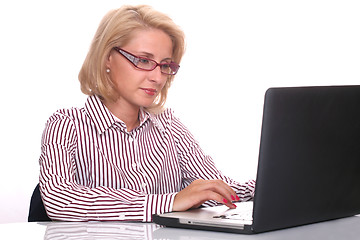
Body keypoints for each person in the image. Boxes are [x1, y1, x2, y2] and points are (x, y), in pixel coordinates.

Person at [39, 4, 255, 222]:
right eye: (143, 60)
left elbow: (213, 188)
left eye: (165, 65)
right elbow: (61, 200)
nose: (158, 77)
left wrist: (273, 186)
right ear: (107, 57)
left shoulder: (169, 126)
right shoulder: (65, 124)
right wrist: (170, 202)